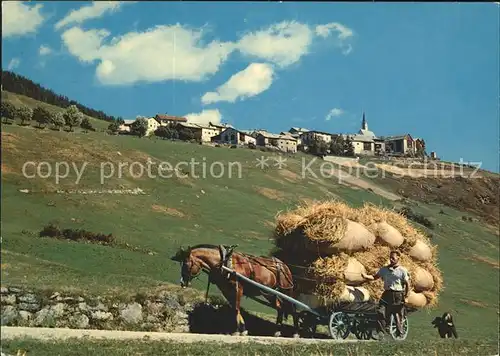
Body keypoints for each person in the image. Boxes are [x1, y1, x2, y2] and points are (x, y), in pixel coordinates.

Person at [361, 250, 410, 334]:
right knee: (380, 310)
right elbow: (375, 277)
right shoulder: (384, 269)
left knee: (396, 313)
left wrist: (406, 297)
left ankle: (399, 329)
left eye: (393, 258)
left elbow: (407, 284)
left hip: (398, 294)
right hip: (387, 293)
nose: (391, 259)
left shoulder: (402, 270)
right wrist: (365, 276)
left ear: (398, 258)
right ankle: (382, 331)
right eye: (390, 258)